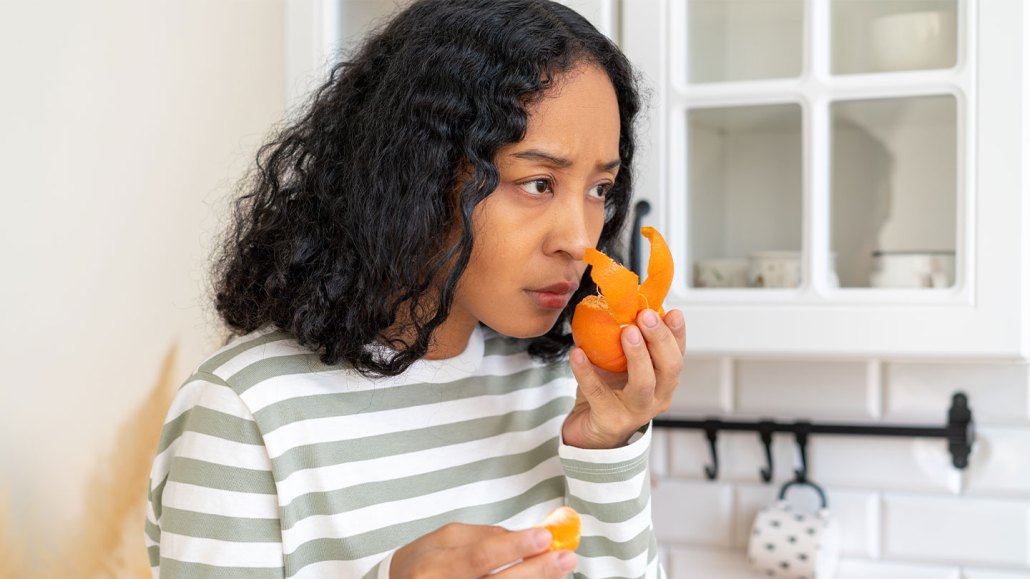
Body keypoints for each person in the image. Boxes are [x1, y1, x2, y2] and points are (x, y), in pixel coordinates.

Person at [145, 0, 685, 577]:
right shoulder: (247, 411)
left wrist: (606, 450)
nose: (581, 241)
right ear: (419, 174)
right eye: (538, 182)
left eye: (600, 188)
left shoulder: (561, 386)